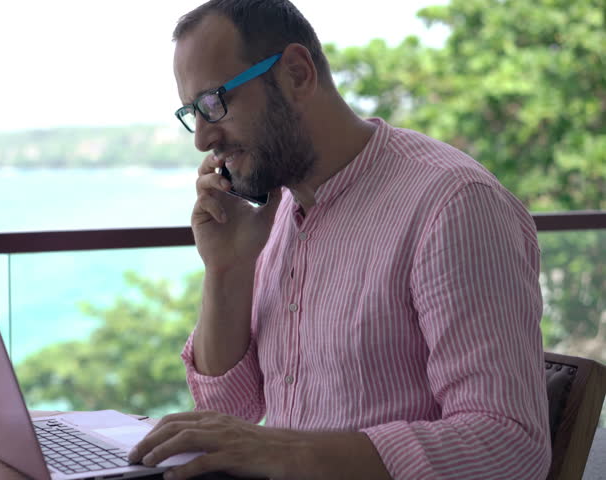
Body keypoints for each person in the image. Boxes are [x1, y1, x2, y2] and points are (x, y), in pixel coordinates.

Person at [127, 1, 551, 479]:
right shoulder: (281, 210)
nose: (203, 139)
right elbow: (232, 406)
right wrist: (227, 269)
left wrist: (282, 452)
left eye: (214, 103)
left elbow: (509, 446)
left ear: (296, 73)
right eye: (192, 112)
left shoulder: (452, 205)